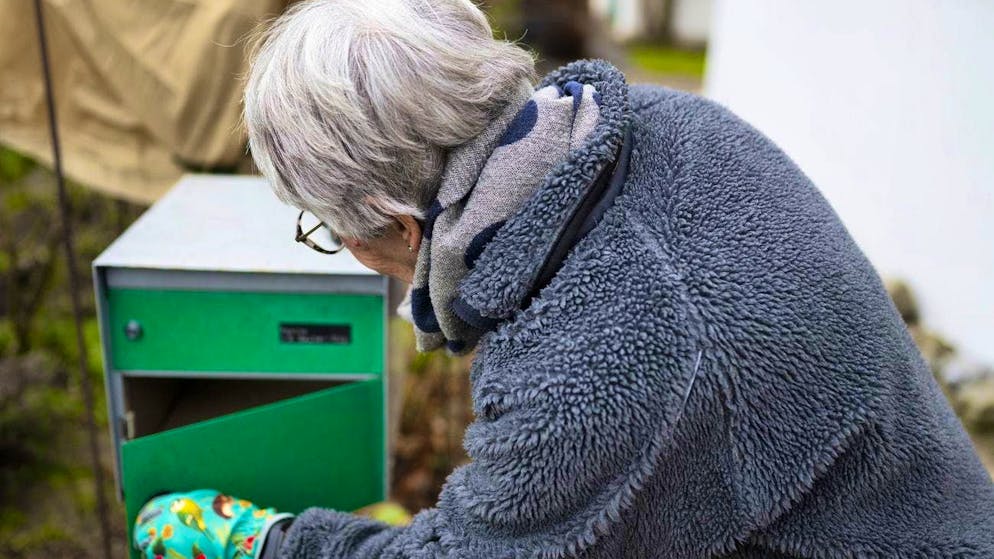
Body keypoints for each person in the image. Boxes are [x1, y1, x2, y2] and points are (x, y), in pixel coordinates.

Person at [135, 0, 994, 557]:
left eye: (332, 231)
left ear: (397, 225)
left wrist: (267, 539)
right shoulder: (660, 121)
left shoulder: (594, 361)